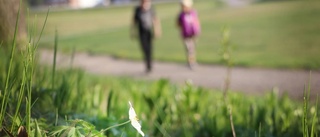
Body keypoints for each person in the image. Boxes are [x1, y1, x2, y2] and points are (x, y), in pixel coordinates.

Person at [131, 0, 161, 73]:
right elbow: (134, 21)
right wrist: (132, 32)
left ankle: (149, 64)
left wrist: (157, 30)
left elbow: (155, 20)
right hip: (141, 32)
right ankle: (148, 64)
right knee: (144, 48)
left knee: (150, 49)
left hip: (149, 31)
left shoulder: (151, 9)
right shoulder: (138, 10)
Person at [177, 0, 201, 70]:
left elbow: (197, 21)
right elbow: (178, 24)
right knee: (189, 49)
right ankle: (191, 62)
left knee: (193, 48)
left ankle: (192, 61)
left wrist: (198, 29)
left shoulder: (193, 13)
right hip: (186, 35)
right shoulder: (181, 15)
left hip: (193, 34)